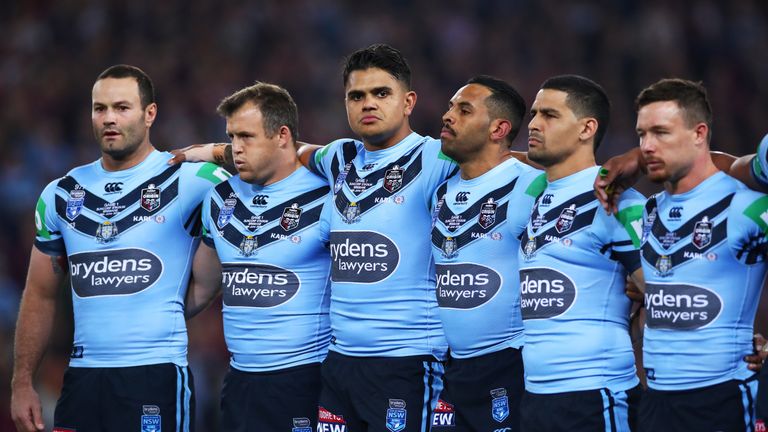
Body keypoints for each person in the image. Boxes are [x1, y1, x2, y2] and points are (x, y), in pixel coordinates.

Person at [10, 65, 228, 432]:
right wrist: (21, 382)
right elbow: (40, 295)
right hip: (82, 380)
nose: (109, 118)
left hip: (154, 376)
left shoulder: (192, 178)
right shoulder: (61, 194)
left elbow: (268, 167)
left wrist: (213, 151)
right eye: (100, 108)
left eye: (122, 107)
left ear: (150, 114)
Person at [185, 82, 332, 431]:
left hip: (307, 378)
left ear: (282, 135)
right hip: (240, 381)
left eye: (246, 137)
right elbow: (203, 288)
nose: (235, 148)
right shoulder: (220, 198)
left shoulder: (327, 195)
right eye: (231, 137)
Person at [633, 78, 768, 431]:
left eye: (661, 132)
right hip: (656, 402)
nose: (647, 146)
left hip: (720, 401)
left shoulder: (745, 207)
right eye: (642, 134)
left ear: (699, 134)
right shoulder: (648, 211)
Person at [517, 75, 645, 431]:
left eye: (550, 115)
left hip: (596, 394)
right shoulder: (534, 195)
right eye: (534, 114)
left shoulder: (615, 200)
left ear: (587, 128)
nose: (534, 123)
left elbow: (662, 292)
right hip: (535, 395)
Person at [428, 75, 543, 431]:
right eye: (450, 107)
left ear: (498, 129)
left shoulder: (531, 185)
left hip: (510, 363)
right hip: (453, 367)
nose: (448, 116)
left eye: (463, 109)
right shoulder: (441, 191)